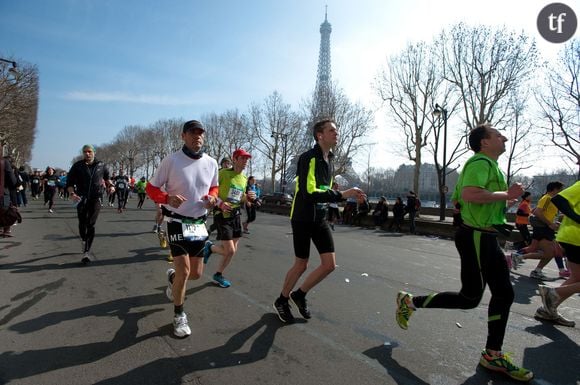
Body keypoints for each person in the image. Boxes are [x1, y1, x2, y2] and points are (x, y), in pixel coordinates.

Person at [395, 123, 533, 382]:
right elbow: (470, 194)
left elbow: (460, 199)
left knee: (498, 293)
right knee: (475, 297)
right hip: (477, 236)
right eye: (497, 135)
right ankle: (410, 302)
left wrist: (504, 199)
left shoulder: (488, 165)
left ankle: (492, 353)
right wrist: (507, 193)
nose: (504, 137)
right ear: (484, 142)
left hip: (485, 236)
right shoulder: (480, 162)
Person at [273, 119, 365, 323]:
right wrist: (342, 195)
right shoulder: (309, 157)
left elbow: (323, 189)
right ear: (319, 135)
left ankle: (300, 294)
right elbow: (308, 192)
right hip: (303, 217)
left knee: (329, 265)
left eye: (336, 130)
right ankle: (282, 299)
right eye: (332, 130)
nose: (336, 133)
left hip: (320, 217)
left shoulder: (329, 159)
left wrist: (342, 193)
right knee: (301, 264)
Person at [146, 119, 219, 338]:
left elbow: (214, 187)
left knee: (195, 274)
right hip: (176, 221)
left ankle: (173, 279)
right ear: (183, 136)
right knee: (185, 271)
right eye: (192, 133)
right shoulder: (171, 160)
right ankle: (179, 316)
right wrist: (166, 197)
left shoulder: (211, 163)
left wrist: (212, 199)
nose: (198, 136)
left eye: (201, 133)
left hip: (198, 224)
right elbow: (151, 188)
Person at [205, 149, 255, 288]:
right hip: (222, 215)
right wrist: (220, 203)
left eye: (247, 159)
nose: (245, 161)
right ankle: (210, 247)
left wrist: (249, 198)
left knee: (232, 250)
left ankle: (218, 274)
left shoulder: (244, 178)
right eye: (242, 158)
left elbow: (240, 197)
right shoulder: (222, 173)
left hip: (235, 215)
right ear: (235, 159)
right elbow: (209, 190)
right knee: (230, 250)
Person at [536, 181, 580, 327]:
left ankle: (547, 309)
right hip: (575, 237)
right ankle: (553, 293)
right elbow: (559, 199)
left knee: (576, 277)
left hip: (572, 237)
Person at [66, 144, 115, 265]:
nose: (87, 154)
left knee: (91, 224)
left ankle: (86, 252)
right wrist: (72, 194)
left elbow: (107, 178)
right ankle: (83, 239)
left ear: (94, 152)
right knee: (82, 223)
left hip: (96, 198)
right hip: (81, 198)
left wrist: (111, 186)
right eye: (85, 152)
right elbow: (69, 183)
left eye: (89, 151)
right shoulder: (77, 166)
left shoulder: (101, 165)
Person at [511, 182, 568, 279]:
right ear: (555, 189)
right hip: (543, 229)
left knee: (537, 248)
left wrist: (553, 222)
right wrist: (550, 223)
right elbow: (537, 212)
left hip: (544, 228)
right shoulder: (547, 198)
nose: (561, 192)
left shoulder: (552, 200)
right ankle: (520, 258)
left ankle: (534, 268)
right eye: (560, 190)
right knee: (550, 252)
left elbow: (540, 212)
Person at [1, 156, 18, 237]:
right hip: (3, 192)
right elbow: (13, 181)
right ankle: (6, 230)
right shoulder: (4, 163)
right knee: (6, 210)